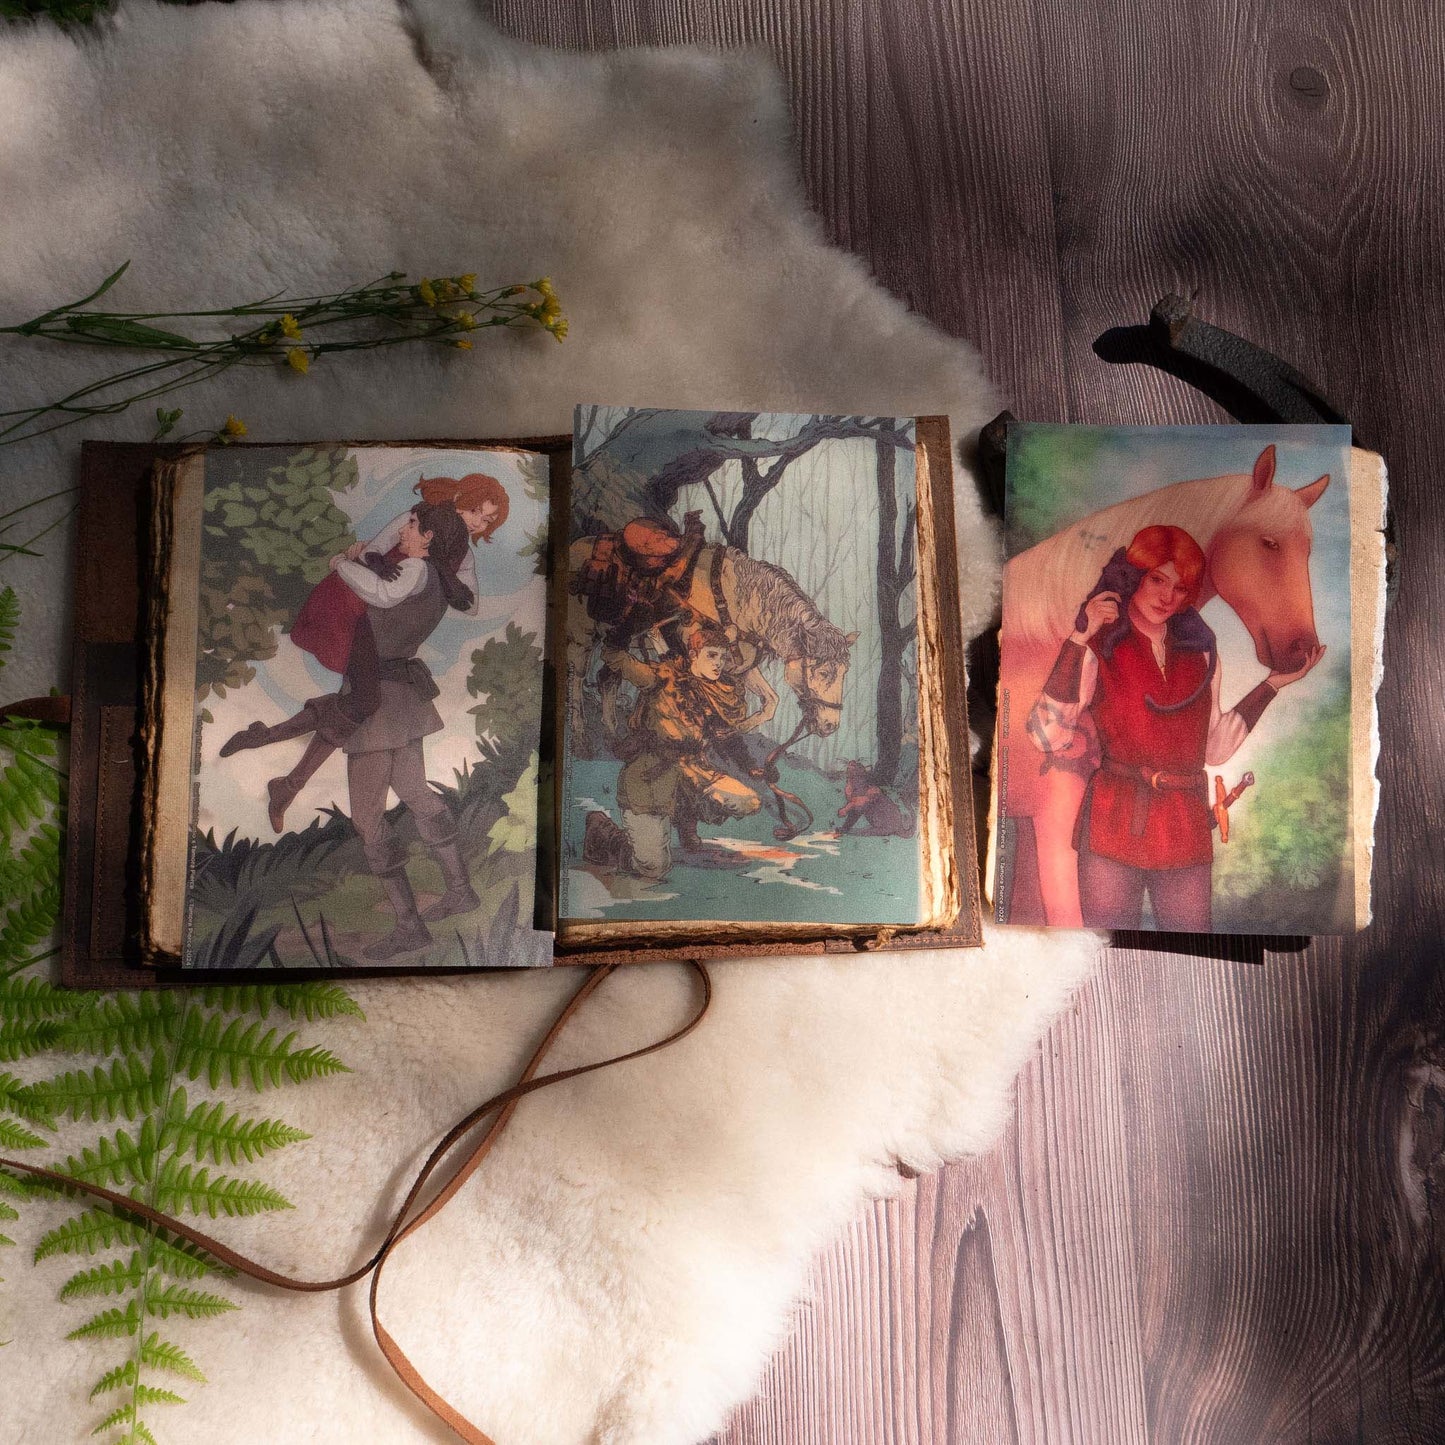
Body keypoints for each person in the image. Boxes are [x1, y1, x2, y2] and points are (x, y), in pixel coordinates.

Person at [1027, 524, 1323, 931]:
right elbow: (1046, 735)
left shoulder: (1201, 653)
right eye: (1157, 580)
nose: (1168, 597)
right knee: (1104, 952)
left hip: (1184, 830)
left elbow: (1214, 750)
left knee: (1192, 947)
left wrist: (1272, 685)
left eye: (1181, 588)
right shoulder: (1101, 645)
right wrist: (1079, 638)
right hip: (1113, 826)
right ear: (1135, 578)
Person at [221, 472, 507, 830]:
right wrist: (376, 564)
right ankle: (279, 764)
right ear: (458, 498)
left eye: (487, 519)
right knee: (362, 703)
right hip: (354, 605)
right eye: (475, 510)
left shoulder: (458, 553)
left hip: (383, 626)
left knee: (357, 705)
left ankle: (280, 767)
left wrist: (441, 572)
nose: (477, 522)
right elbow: (372, 550)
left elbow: (471, 604)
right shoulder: (418, 520)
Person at [581, 623, 765, 881]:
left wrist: (750, 766)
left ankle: (684, 816)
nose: (719, 663)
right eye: (711, 655)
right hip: (650, 778)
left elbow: (726, 738)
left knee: (748, 800)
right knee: (653, 868)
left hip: (694, 773)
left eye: (723, 657)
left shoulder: (711, 692)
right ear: (693, 655)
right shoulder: (660, 677)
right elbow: (617, 659)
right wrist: (618, 637)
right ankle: (604, 833)